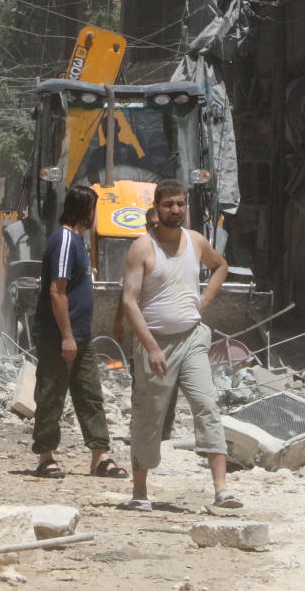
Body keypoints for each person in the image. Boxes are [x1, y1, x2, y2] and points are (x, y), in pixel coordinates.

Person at [121, 179, 240, 511]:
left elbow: (221, 267)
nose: (175, 210)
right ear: (157, 208)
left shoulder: (197, 242)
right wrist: (152, 348)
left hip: (191, 339)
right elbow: (130, 303)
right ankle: (141, 493)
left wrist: (201, 301)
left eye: (180, 204)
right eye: (169, 204)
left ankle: (221, 490)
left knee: (206, 405)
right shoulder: (142, 249)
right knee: (149, 415)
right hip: (154, 345)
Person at [31, 185, 126, 479]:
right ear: (86, 210)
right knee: (51, 394)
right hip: (59, 337)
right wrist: (67, 336)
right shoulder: (65, 240)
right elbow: (57, 291)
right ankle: (45, 456)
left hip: (80, 337)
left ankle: (100, 456)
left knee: (90, 395)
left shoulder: (79, 243)